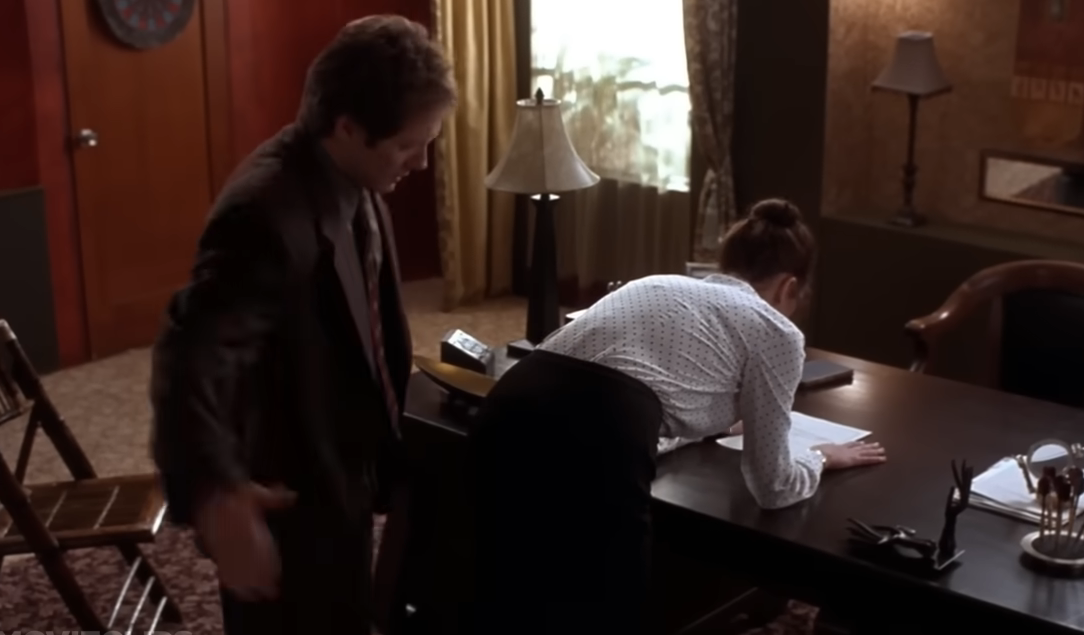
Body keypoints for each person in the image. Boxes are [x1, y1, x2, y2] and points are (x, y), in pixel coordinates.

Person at [148, 15, 455, 635]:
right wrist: (215, 494)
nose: (422, 163)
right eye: (407, 146)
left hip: (343, 472)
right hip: (288, 496)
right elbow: (190, 358)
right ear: (348, 128)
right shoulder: (262, 215)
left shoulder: (354, 176)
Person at [469, 198, 887, 634]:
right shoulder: (776, 329)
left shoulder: (656, 284)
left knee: (505, 589)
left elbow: (638, 385)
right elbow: (774, 486)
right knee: (604, 608)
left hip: (507, 404)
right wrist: (821, 457)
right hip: (600, 434)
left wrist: (715, 424)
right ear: (789, 287)